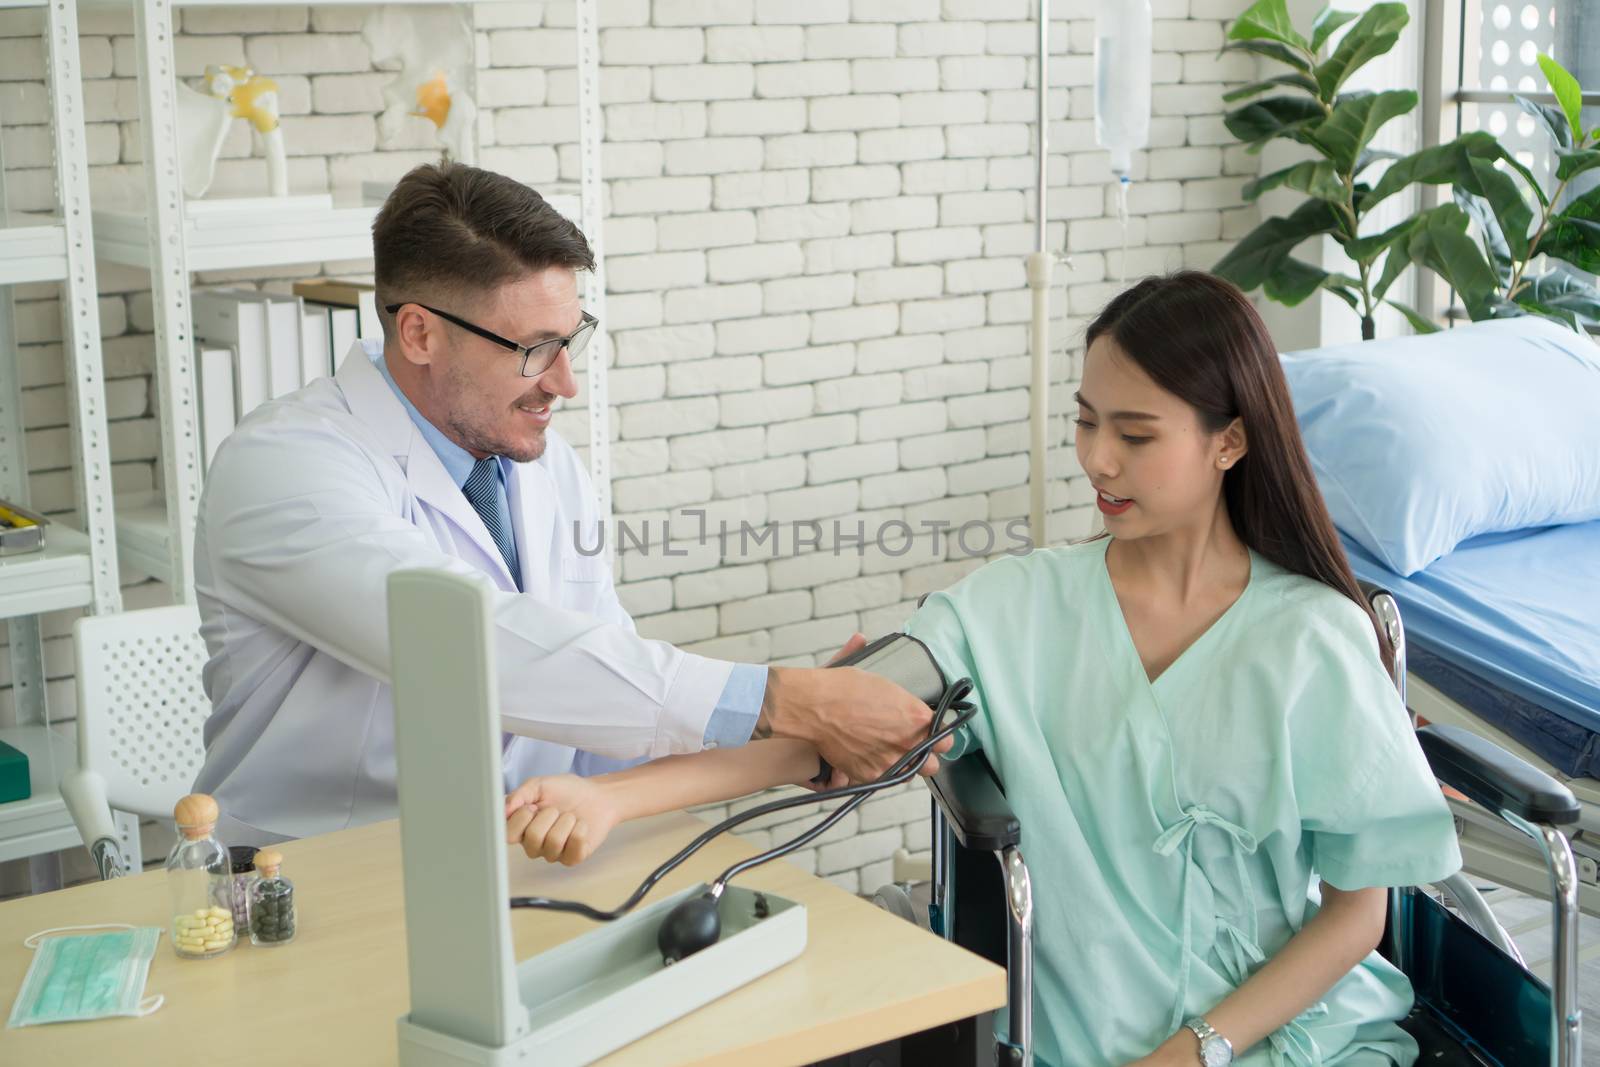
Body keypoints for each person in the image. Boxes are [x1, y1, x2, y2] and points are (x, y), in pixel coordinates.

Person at [499, 272, 1463, 1067]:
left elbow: (1357, 914)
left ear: (1230, 439)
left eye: (1135, 435)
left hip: (1298, 1043)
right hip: (1082, 1047)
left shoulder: (1312, 638)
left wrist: (1198, 1050)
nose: (1098, 461)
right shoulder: (1013, 607)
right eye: (1086, 423)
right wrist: (616, 800)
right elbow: (823, 728)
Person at [190, 161, 947, 845]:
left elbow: (601, 707)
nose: (562, 383)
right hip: (312, 884)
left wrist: (806, 731)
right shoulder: (284, 469)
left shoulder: (542, 466)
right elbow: (475, 646)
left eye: (569, 340)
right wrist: (785, 699)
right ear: (419, 332)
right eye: (532, 350)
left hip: (517, 863)